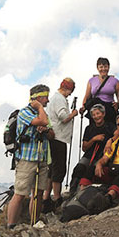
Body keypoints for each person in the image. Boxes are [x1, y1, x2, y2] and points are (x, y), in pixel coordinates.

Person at [6, 85, 55, 228]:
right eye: (45, 97)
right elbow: (43, 121)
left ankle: (34, 221)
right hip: (27, 159)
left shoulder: (43, 114)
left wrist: (45, 130)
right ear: (37, 98)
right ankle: (11, 225)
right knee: (20, 193)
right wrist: (39, 108)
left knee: (38, 192)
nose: (47, 100)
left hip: (42, 158)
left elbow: (52, 134)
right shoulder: (24, 112)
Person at [43, 78, 77, 211]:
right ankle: (56, 197)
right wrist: (73, 113)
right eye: (70, 91)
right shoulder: (60, 99)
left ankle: (47, 198)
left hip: (55, 137)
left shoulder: (55, 98)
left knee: (52, 168)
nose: (69, 94)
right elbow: (63, 117)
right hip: (59, 137)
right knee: (59, 168)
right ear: (67, 89)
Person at [68, 104, 117, 195]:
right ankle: (72, 192)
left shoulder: (110, 126)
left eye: (98, 114)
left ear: (103, 114)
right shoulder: (89, 128)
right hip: (89, 155)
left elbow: (118, 133)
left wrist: (110, 141)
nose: (96, 116)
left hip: (102, 156)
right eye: (93, 115)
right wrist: (94, 139)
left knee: (92, 169)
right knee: (79, 168)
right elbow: (84, 147)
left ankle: (86, 192)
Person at [80, 57, 119, 124]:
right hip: (95, 110)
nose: (103, 69)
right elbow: (86, 97)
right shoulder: (91, 81)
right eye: (101, 67)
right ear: (97, 68)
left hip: (109, 109)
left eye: (105, 67)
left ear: (109, 67)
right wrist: (83, 107)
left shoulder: (115, 81)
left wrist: (117, 105)